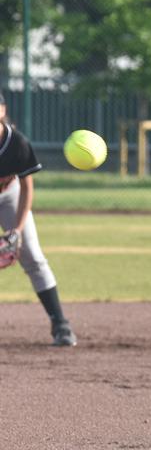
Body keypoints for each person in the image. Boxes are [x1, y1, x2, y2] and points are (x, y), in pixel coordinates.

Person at [0, 90, 76, 347]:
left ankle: (60, 323)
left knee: (32, 256)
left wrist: (17, 231)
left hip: (10, 195)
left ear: (2, 111)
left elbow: (27, 187)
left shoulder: (16, 143)